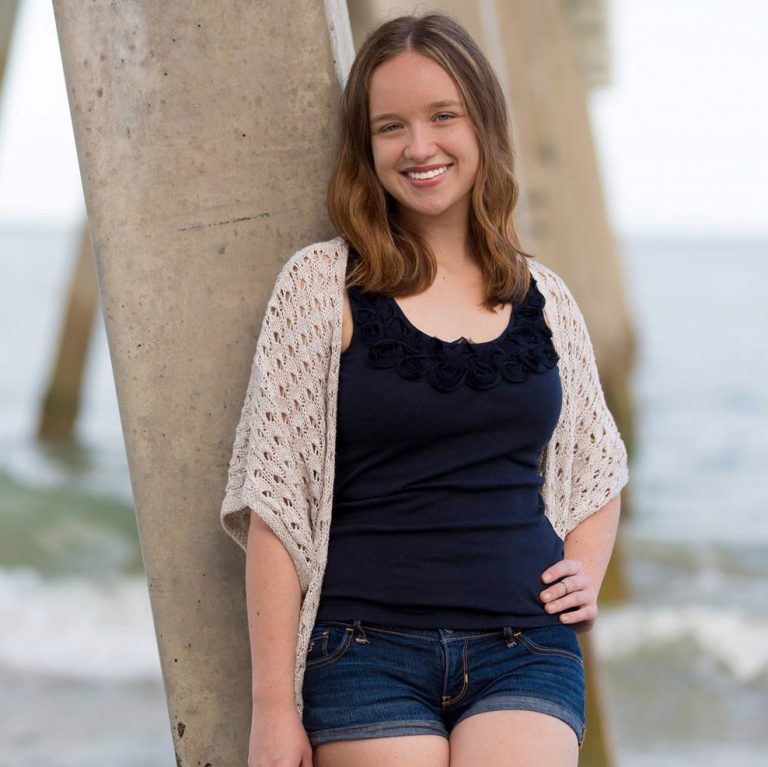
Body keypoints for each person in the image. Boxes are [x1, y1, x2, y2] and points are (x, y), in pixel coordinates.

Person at [220, 11, 629, 767]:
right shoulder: (320, 288)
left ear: (483, 125)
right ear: (365, 146)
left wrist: (587, 571)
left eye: (443, 116)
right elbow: (275, 504)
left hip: (525, 646)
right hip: (363, 649)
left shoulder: (545, 297)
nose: (418, 147)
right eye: (391, 127)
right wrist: (272, 709)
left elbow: (599, 465)